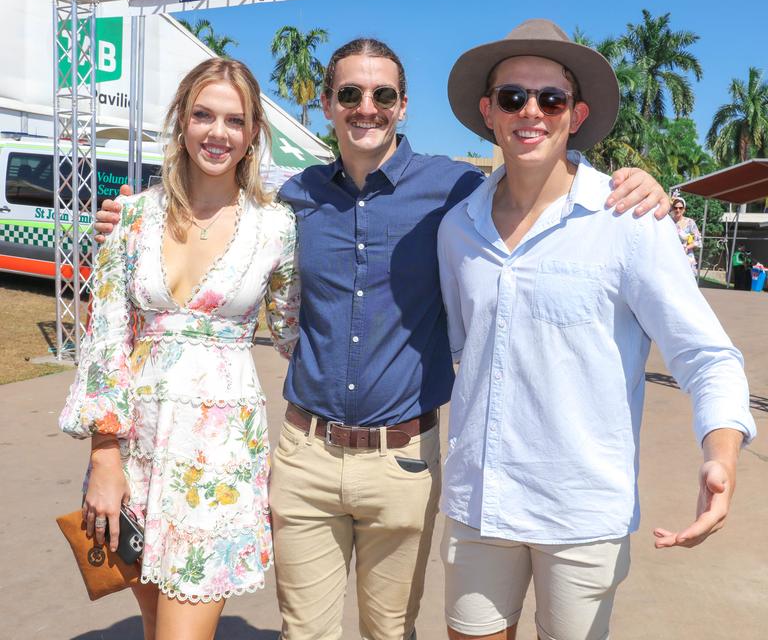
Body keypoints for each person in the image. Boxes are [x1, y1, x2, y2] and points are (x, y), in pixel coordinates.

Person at [95, 39, 670, 640]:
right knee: (304, 633)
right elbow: (224, 225)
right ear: (326, 104)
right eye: (349, 94)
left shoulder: (456, 190)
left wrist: (643, 191)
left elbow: (541, 181)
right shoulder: (293, 200)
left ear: (402, 107)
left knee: (390, 633)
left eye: (382, 95)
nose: (365, 107)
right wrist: (135, 212)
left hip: (403, 462)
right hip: (304, 458)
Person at [437, 18, 757, 640]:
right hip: (480, 501)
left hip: (579, 511)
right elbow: (460, 348)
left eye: (550, 98)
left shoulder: (630, 220)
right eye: (513, 97)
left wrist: (719, 455)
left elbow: (706, 356)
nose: (531, 111)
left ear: (575, 114)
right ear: (489, 111)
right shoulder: (458, 229)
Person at [59, 58, 300, 640]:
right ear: (181, 123)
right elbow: (106, 342)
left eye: (234, 121)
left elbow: (295, 332)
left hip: (219, 458)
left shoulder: (277, 227)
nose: (218, 133)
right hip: (135, 450)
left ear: (252, 136)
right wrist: (104, 459)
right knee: (152, 622)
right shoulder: (134, 217)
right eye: (203, 115)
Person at [670, 195, 702, 275]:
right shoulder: (669, 222)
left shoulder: (690, 222)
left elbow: (698, 241)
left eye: (680, 208)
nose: (678, 210)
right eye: (675, 208)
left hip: (687, 256)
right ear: (672, 209)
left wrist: (687, 247)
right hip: (672, 255)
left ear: (684, 209)